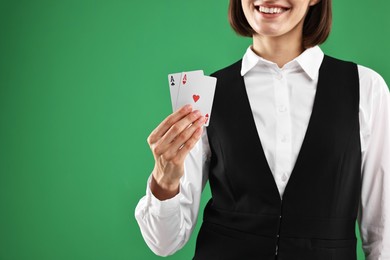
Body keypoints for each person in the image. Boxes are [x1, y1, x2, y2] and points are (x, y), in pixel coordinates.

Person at [135, 0, 390, 259]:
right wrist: (164, 180)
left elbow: (384, 235)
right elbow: (164, 243)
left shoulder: (366, 89)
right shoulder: (205, 93)